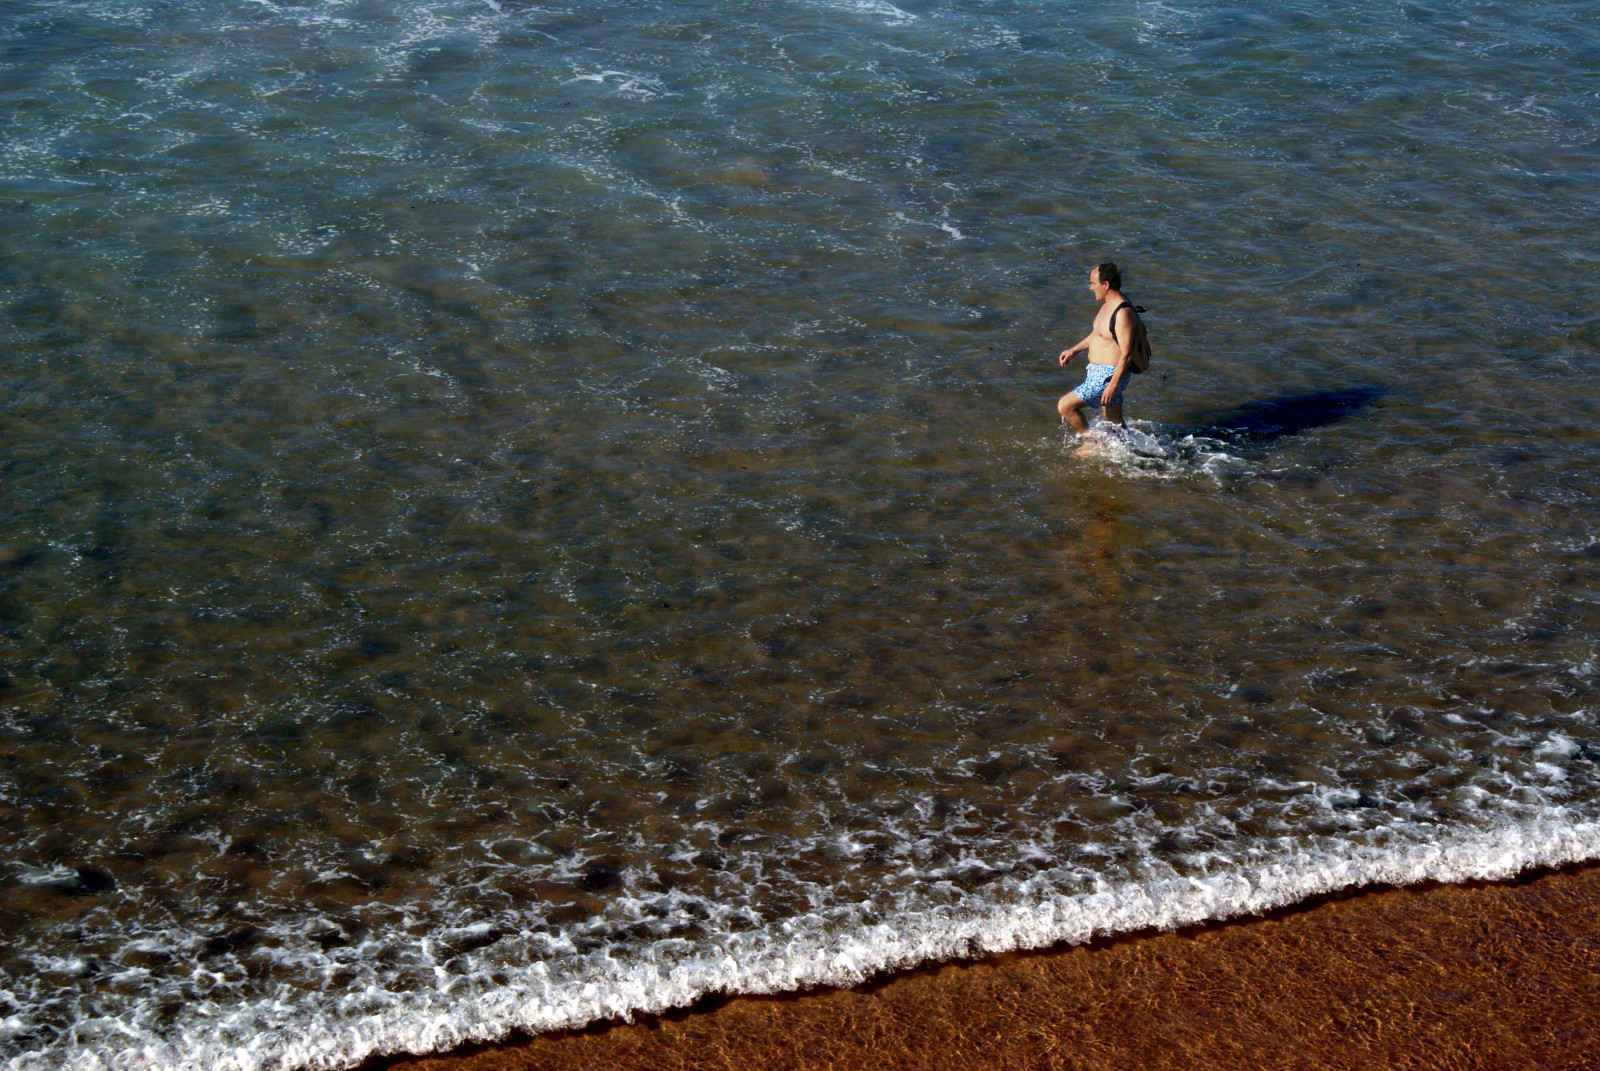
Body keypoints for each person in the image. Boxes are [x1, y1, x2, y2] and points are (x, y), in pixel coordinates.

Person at [1057, 262, 1137, 444]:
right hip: (1098, 372)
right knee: (1114, 426)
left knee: (1065, 406)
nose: (1090, 287)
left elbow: (1127, 353)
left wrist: (1113, 385)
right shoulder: (1107, 305)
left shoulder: (1123, 313)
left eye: (1093, 283)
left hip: (1107, 376)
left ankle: (1090, 443)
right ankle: (1131, 454)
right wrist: (1074, 350)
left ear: (1106, 284)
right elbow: (1097, 335)